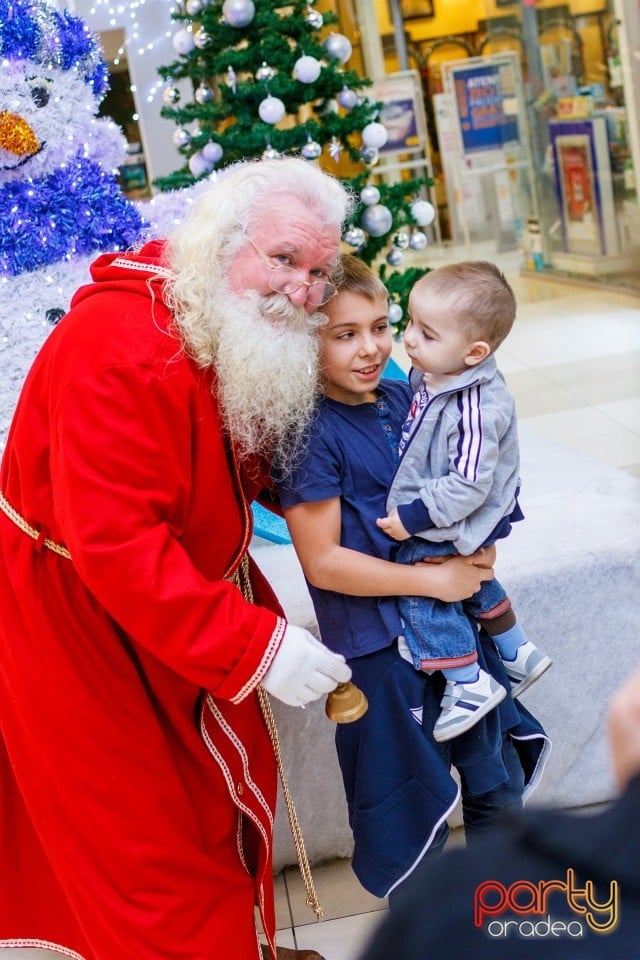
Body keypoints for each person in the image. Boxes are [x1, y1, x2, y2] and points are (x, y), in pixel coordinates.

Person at [0, 157, 355, 960]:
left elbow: (227, 451)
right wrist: (254, 645)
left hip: (165, 602)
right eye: (284, 259)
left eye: (318, 272)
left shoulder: (205, 311)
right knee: (152, 856)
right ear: (222, 241)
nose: (300, 290)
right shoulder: (119, 348)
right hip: (81, 626)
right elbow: (117, 542)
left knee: (212, 812)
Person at [277, 255, 549, 902]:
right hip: (378, 647)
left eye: (379, 326)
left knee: (497, 782)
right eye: (345, 334)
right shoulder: (305, 433)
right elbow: (324, 562)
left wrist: (475, 560)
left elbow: (470, 484)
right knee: (410, 817)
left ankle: (498, 926)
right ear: (301, 339)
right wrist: (437, 583)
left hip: (455, 625)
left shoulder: (411, 395)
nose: (372, 348)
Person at [377, 262, 552, 743]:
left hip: (464, 510)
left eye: (427, 334)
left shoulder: (476, 404)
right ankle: (517, 651)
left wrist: (413, 518)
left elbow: (470, 484)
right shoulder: (441, 374)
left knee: (423, 586)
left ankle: (466, 681)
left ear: (475, 352)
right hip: (459, 506)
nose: (409, 339)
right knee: (473, 577)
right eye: (409, 322)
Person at [360, 667, 640, 959]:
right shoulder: (442, 903)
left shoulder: (440, 903)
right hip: (396, 669)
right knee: (419, 821)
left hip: (473, 669)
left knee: (498, 788)